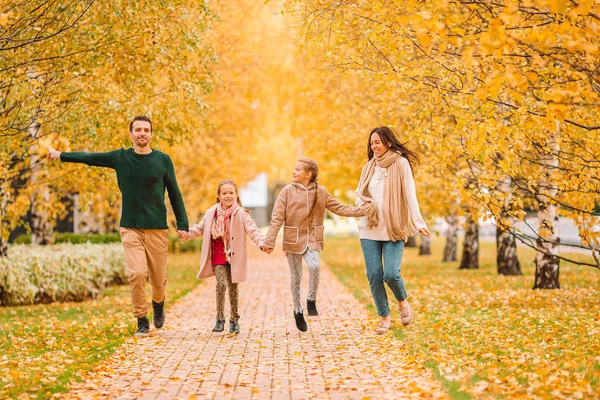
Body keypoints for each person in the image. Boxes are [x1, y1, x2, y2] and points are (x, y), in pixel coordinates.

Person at [48, 116, 189, 335]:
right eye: (138, 130)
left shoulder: (163, 160)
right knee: (137, 274)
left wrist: (183, 224)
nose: (142, 133)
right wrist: (60, 156)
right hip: (130, 227)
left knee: (159, 280)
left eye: (146, 130)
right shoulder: (121, 158)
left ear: (151, 134)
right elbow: (89, 158)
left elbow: (175, 194)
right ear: (131, 134)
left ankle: (158, 304)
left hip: (157, 229)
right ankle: (141, 319)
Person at [263, 157, 366, 332]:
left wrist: (362, 211)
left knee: (315, 266)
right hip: (293, 240)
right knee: (296, 278)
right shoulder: (287, 191)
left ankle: (311, 299)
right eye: (294, 169)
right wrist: (270, 240)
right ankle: (298, 310)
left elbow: (339, 208)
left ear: (308, 174)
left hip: (312, 239)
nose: (293, 172)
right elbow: (277, 218)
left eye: (297, 170)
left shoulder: (321, 192)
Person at [355, 126, 431, 335]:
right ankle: (384, 318)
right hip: (369, 228)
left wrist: (418, 222)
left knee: (391, 273)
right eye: (371, 143)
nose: (374, 146)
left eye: (377, 142)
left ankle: (402, 302)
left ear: (388, 142)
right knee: (374, 274)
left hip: (393, 228)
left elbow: (410, 194)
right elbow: (359, 193)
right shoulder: (368, 167)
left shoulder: (401, 164)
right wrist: (363, 204)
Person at [180, 180, 266, 334]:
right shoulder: (211, 213)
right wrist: (187, 234)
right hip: (219, 255)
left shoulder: (241, 214)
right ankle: (220, 319)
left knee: (233, 288)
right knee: (221, 284)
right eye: (224, 193)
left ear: (236, 195)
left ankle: (234, 320)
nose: (228, 196)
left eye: (231, 193)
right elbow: (200, 228)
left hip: (235, 257)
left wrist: (262, 243)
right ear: (218, 196)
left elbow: (253, 230)